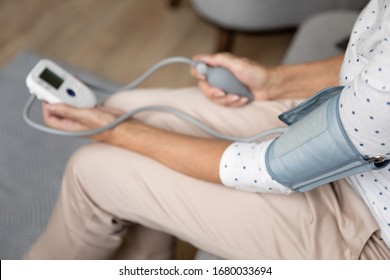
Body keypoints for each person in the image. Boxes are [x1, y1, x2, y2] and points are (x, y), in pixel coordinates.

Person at [25, 0, 390, 259]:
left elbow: (268, 168)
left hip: (370, 230)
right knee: (121, 109)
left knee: (91, 170)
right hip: (342, 121)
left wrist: (118, 133)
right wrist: (275, 81)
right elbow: (370, 59)